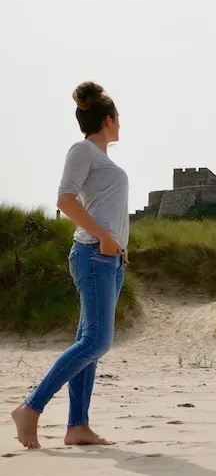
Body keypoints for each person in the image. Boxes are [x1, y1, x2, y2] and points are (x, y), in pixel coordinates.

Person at [11, 81, 129, 449]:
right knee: (96, 341)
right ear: (108, 120)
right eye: (119, 119)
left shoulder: (105, 161)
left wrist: (119, 246)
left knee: (88, 342)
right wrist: (105, 238)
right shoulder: (82, 150)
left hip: (110, 259)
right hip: (93, 255)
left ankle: (77, 426)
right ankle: (30, 408)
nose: (121, 125)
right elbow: (64, 200)